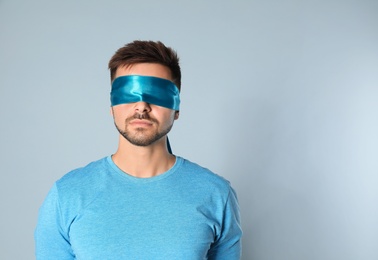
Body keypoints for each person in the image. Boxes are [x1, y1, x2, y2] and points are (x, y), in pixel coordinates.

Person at [35, 40, 242, 259]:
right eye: (128, 93)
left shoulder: (216, 194)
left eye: (157, 93)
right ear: (112, 107)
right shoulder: (67, 195)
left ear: (176, 108)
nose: (141, 105)